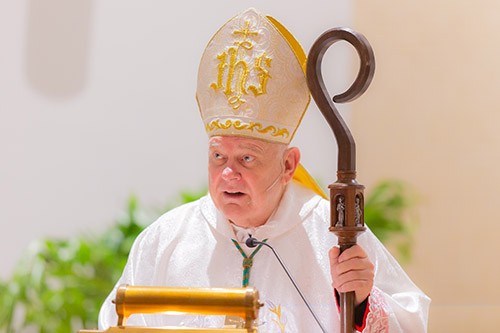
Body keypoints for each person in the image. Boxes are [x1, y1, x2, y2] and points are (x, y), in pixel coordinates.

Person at [99, 8, 430, 332]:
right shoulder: (167, 239)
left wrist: (360, 303)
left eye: (246, 158)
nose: (228, 174)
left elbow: (410, 321)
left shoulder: (329, 233)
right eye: (218, 157)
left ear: (289, 165)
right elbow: (116, 322)